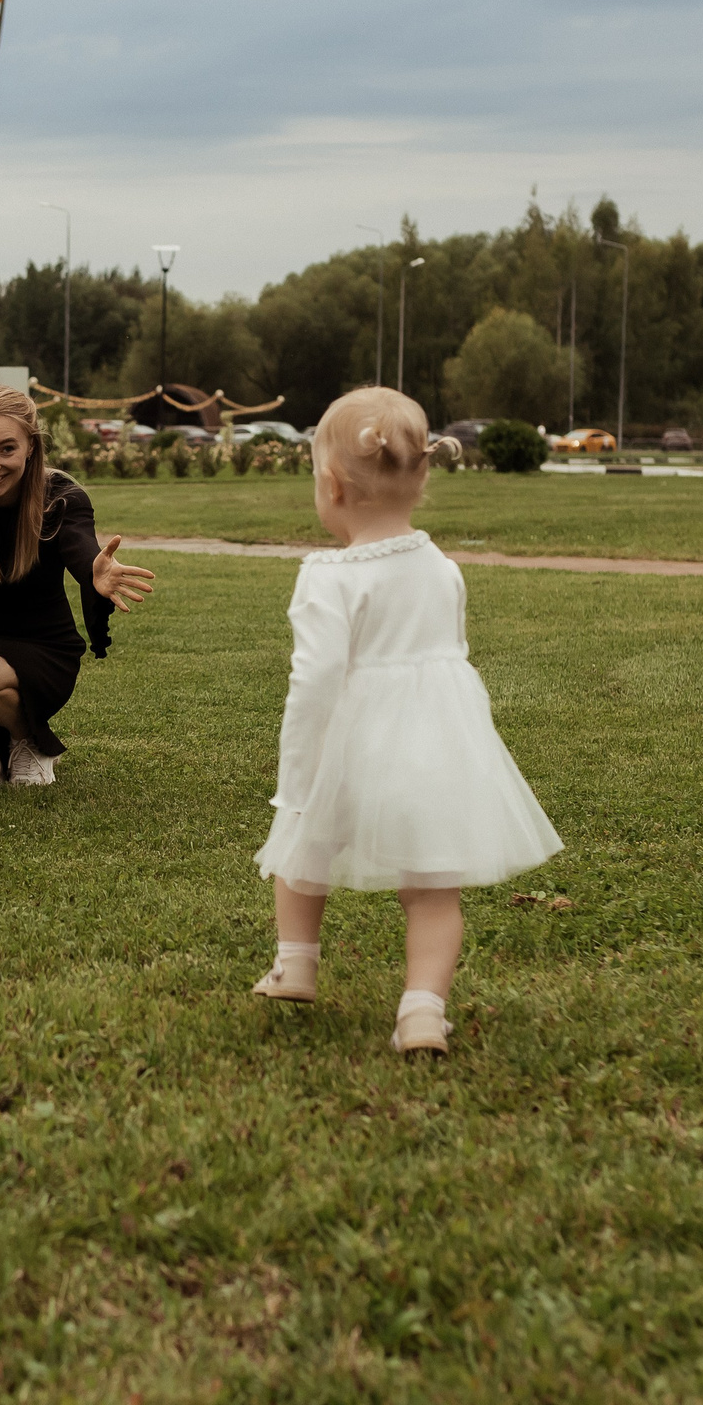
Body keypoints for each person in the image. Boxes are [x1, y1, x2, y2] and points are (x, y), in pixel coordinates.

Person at [249, 386, 564, 1056]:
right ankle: (422, 1010)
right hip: (435, 749)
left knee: (302, 851)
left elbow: (314, 682)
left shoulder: (326, 577)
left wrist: (299, 779)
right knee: (432, 889)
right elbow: (451, 662)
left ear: (330, 484)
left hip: (350, 750)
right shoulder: (445, 570)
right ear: (422, 474)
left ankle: (295, 963)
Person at [0, 383, 156, 787]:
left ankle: (29, 742)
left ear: (31, 447)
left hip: (41, 648)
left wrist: (95, 569)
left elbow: (78, 544)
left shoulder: (61, 496)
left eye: (6, 449)